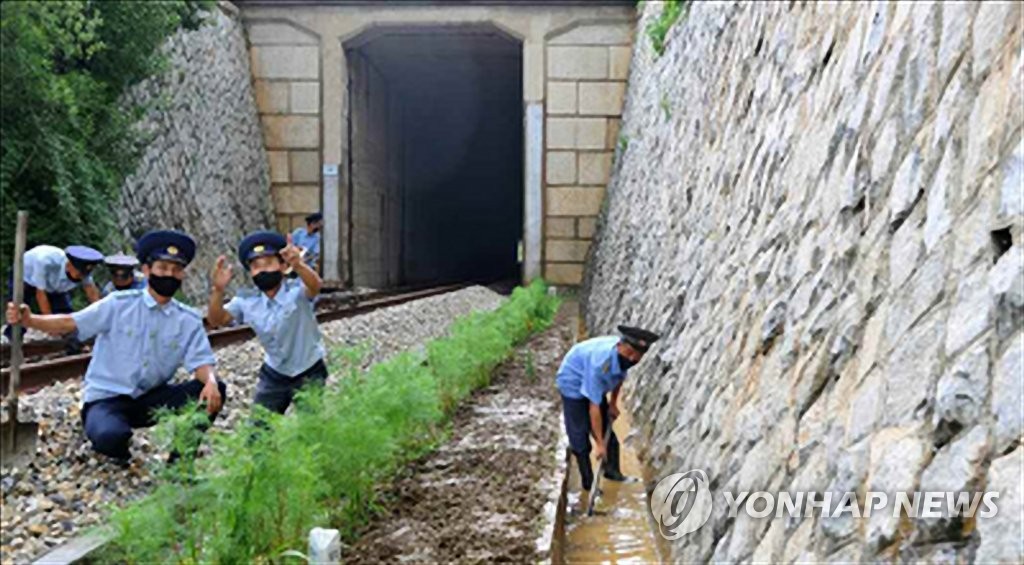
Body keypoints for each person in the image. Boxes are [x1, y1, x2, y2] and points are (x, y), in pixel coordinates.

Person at [5, 230, 226, 465]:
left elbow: (201, 362)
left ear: (182, 275)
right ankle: (117, 446)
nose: (169, 275)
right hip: (106, 399)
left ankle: (181, 461)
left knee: (216, 389)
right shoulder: (118, 305)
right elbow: (71, 323)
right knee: (111, 437)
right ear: (147, 270)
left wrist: (210, 380)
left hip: (150, 400)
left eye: (175, 270)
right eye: (162, 268)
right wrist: (30, 320)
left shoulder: (188, 319)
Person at [207, 230, 326, 414]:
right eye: (256, 266)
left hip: (309, 369)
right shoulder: (246, 301)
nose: (262, 270)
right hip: (275, 373)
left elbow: (315, 286)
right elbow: (216, 320)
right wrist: (218, 290)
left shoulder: (296, 290)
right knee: (259, 432)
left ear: (281, 265)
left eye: (269, 263)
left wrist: (298, 265)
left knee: (310, 432)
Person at [555, 325, 660, 491]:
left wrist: (612, 403)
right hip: (572, 381)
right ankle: (589, 484)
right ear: (620, 346)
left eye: (638, 356)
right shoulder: (600, 363)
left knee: (609, 435)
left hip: (591, 378)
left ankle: (613, 473)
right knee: (580, 436)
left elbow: (619, 376)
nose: (632, 359)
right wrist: (598, 444)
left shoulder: (624, 359)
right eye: (630, 353)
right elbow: (594, 406)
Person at [3, 245, 103, 346]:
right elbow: (41, 295)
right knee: (19, 311)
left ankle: (72, 344)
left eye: (83, 275)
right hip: (25, 276)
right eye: (78, 275)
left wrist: (102, 316)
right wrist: (49, 324)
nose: (81, 278)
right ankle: (12, 341)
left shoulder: (82, 270)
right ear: (69, 265)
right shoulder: (44, 262)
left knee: (66, 316)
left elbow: (92, 292)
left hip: (54, 285)